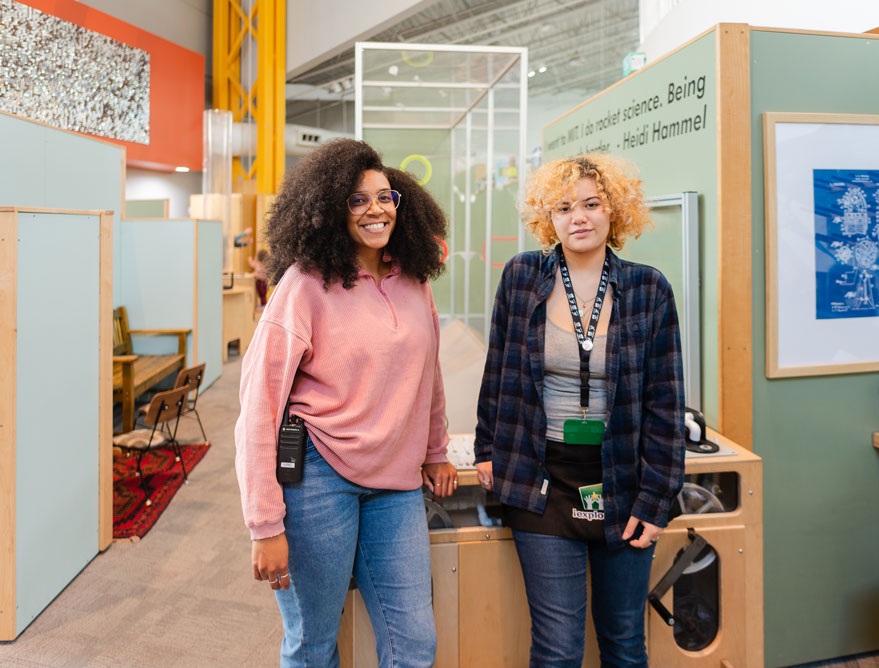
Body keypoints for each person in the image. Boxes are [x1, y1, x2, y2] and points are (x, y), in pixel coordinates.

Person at [234, 138, 458, 668]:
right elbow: (259, 409)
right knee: (313, 645)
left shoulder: (414, 280)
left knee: (415, 645)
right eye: (358, 200)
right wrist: (264, 525)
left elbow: (429, 373)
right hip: (317, 477)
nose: (376, 209)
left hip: (397, 486)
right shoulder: (304, 285)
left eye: (385, 197)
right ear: (332, 209)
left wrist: (435, 449)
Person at [474, 154, 685, 667]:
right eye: (564, 207)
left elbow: (666, 401)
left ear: (616, 211)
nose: (579, 217)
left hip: (623, 482)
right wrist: (486, 447)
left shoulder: (647, 289)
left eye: (592, 204)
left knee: (625, 645)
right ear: (550, 218)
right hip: (542, 480)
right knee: (558, 650)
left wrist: (656, 498)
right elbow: (498, 367)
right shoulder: (523, 276)